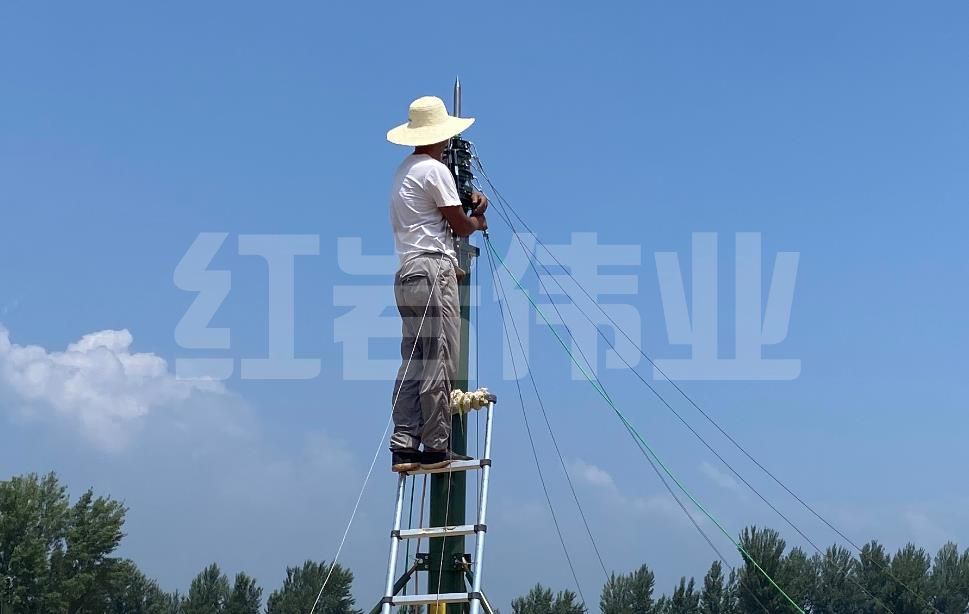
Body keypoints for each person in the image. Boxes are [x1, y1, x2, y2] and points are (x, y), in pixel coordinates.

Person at [385, 95, 488, 472]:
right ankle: (438, 445)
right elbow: (460, 226)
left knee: (414, 359)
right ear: (440, 136)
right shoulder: (434, 170)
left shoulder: (404, 171)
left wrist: (465, 206)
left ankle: (404, 442)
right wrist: (478, 218)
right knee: (440, 357)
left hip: (408, 271)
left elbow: (438, 215)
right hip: (433, 271)